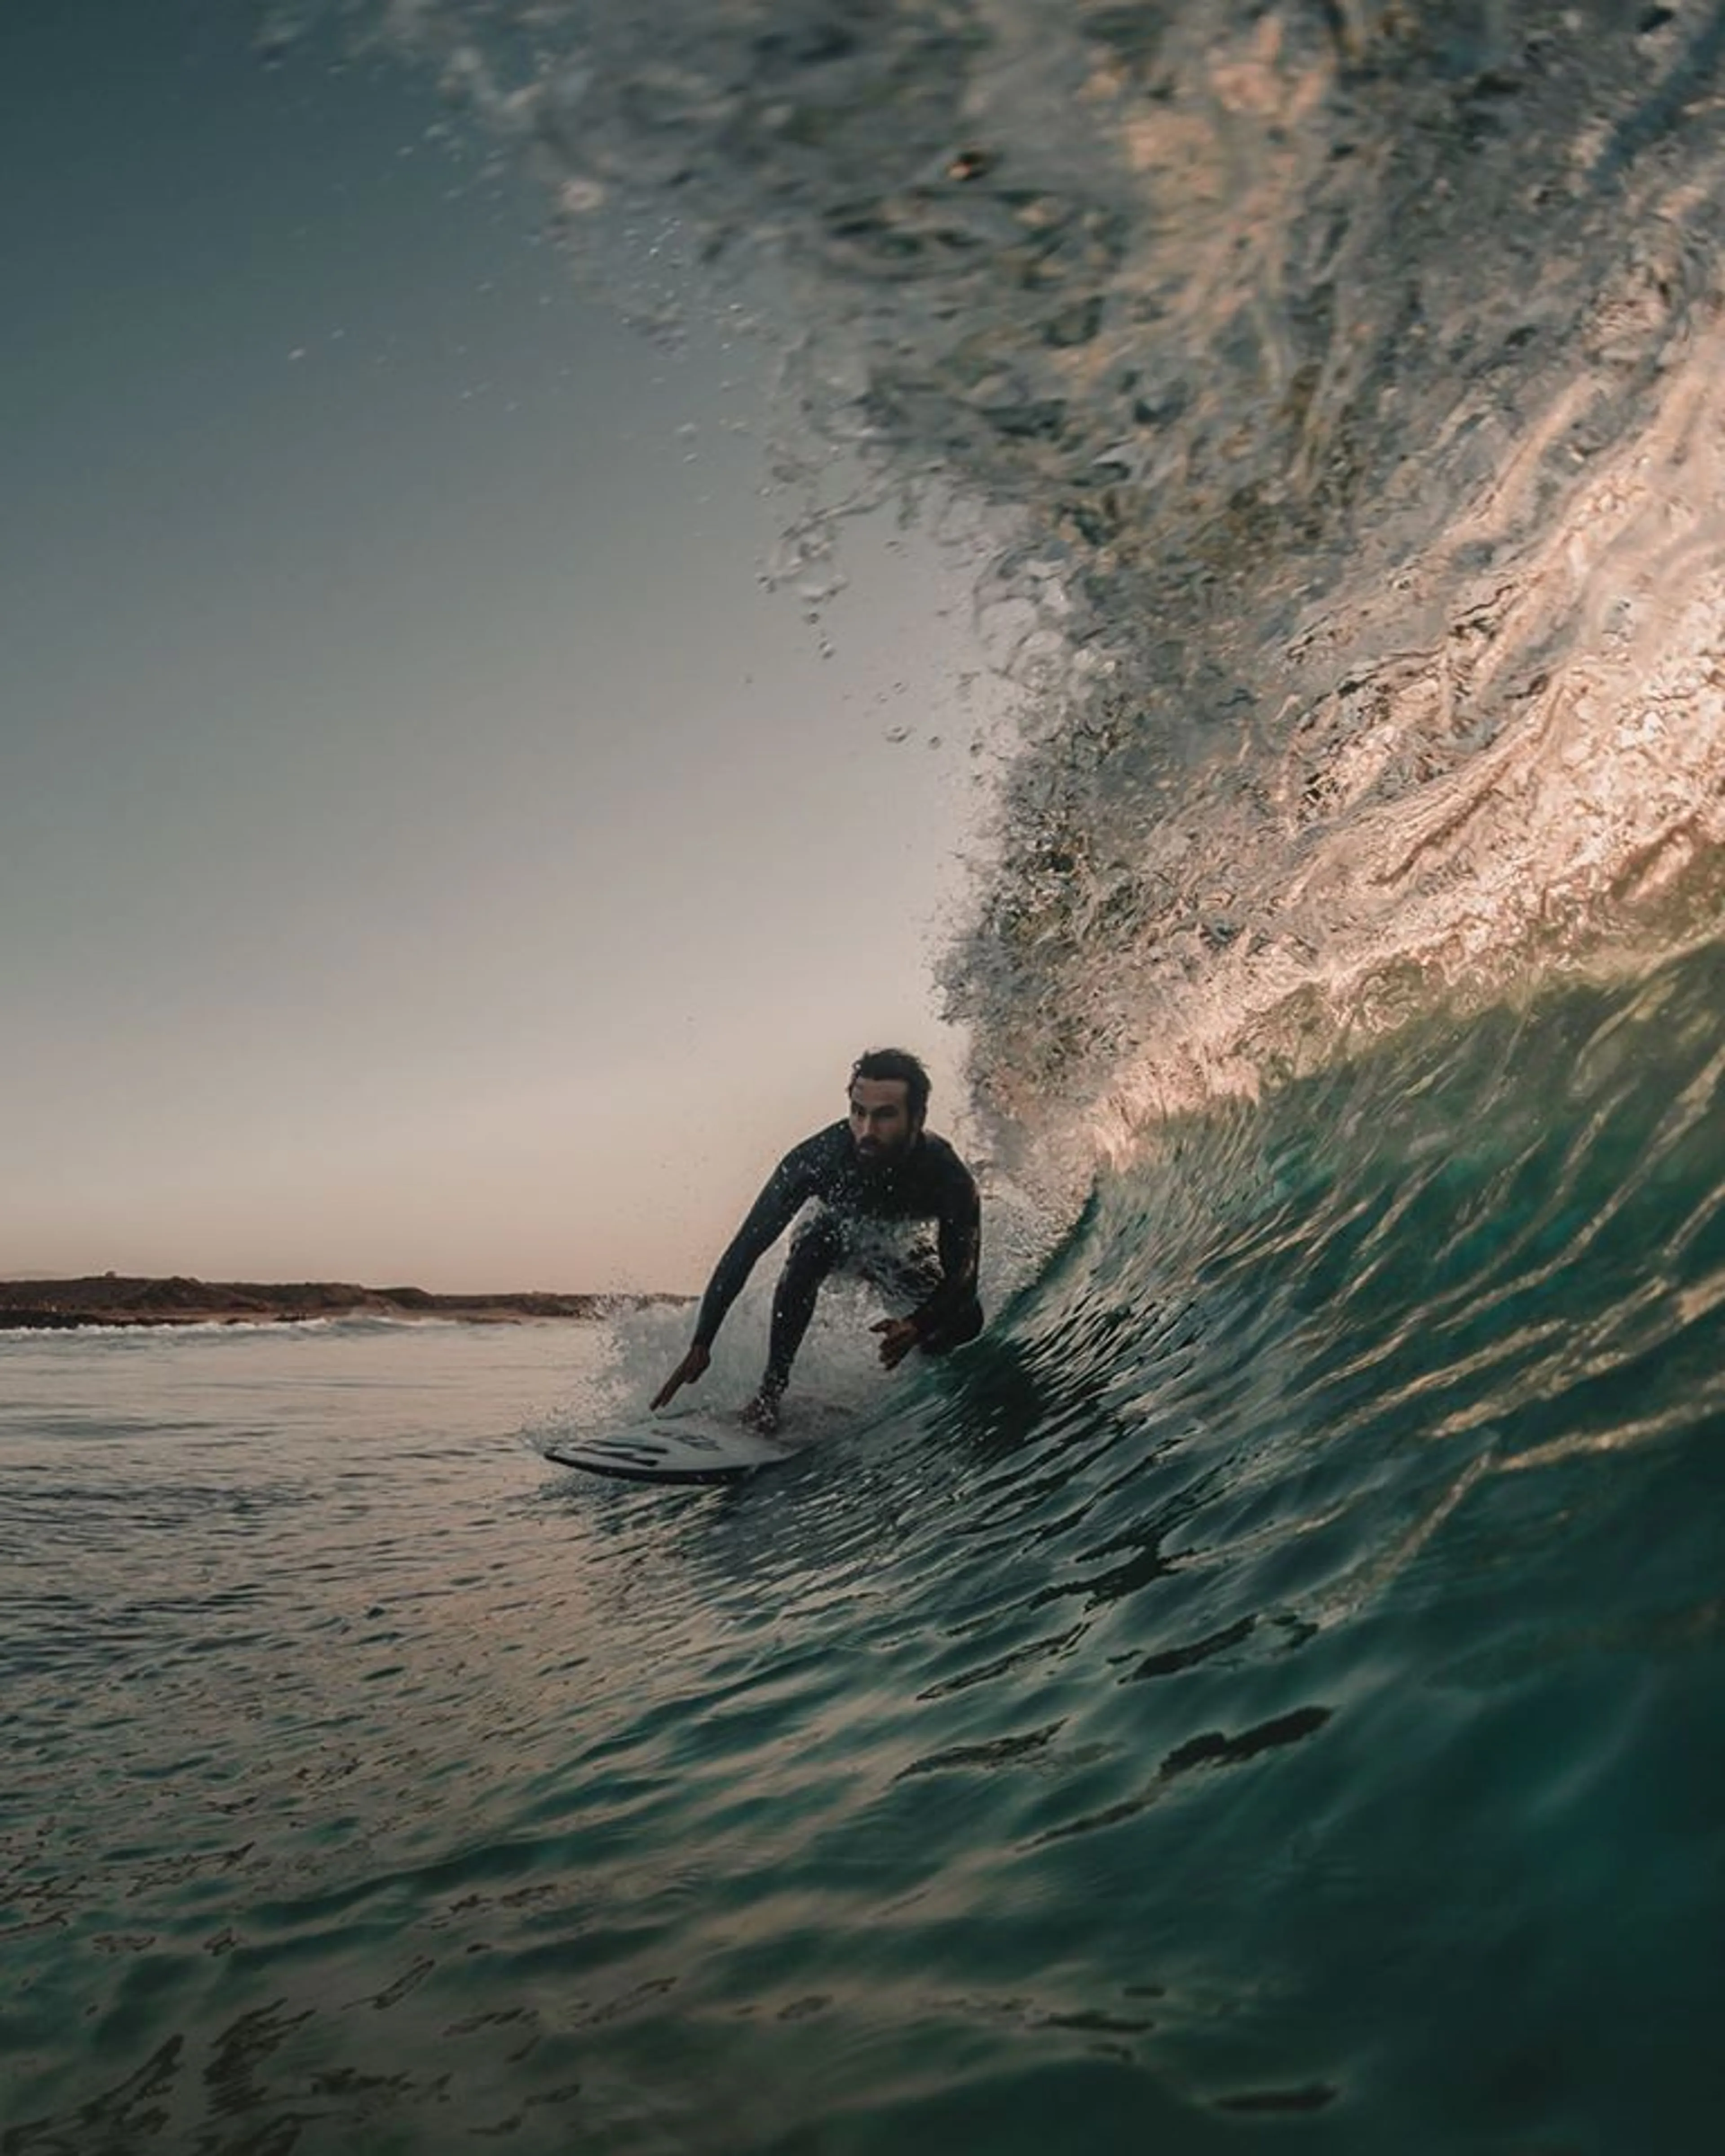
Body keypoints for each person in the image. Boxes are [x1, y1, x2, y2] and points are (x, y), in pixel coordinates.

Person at [652, 1048, 984, 1432]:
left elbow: (964, 1275)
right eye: (858, 1112)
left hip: (893, 1247)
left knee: (964, 1324)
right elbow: (746, 1249)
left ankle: (922, 1391)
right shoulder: (817, 1160)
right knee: (810, 1253)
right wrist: (702, 1342)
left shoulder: (947, 1175)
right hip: (834, 1231)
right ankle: (769, 1397)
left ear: (918, 1118)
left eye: (885, 1115)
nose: (867, 1131)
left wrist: (917, 1324)